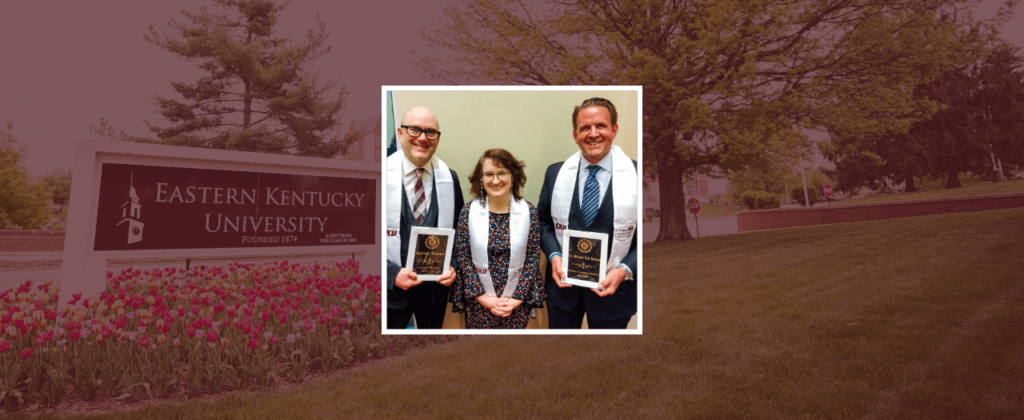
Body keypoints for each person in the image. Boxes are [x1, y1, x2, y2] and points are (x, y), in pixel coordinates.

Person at [537, 97, 638, 329]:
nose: (593, 134)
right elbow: (543, 223)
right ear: (575, 135)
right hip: (563, 294)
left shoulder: (637, 174)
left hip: (614, 292)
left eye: (600, 126)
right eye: (585, 128)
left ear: (614, 130)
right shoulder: (555, 174)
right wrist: (554, 256)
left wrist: (625, 269)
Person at [385, 106, 464, 329]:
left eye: (430, 132)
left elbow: (460, 231)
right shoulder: (377, 176)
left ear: (437, 139)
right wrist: (390, 274)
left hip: (434, 293)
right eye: (415, 130)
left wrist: (454, 264)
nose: (423, 138)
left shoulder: (450, 178)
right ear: (400, 133)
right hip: (390, 294)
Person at [450, 149, 544, 329]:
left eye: (502, 173)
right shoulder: (468, 212)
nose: (495, 180)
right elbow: (462, 256)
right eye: (489, 174)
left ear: (513, 176)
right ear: (481, 178)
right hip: (479, 301)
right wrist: (483, 298)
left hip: (515, 301)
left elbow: (532, 257)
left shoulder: (529, 212)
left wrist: (517, 298)